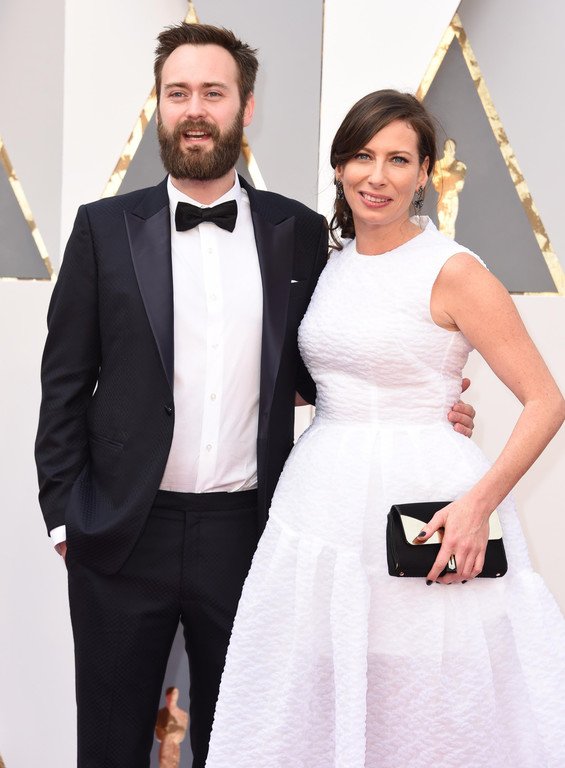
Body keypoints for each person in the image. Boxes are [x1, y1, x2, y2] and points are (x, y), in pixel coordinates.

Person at [34, 23, 474, 766]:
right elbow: (64, 384)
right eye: (178, 92)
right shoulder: (102, 229)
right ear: (159, 105)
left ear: (245, 107)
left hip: (251, 535)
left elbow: (325, 362)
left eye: (213, 92)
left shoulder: (297, 232)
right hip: (120, 535)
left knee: (248, 744)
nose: (195, 109)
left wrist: (422, 401)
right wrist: (64, 519)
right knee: (107, 746)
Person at [205, 90, 565, 768]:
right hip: (321, 504)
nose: (377, 177)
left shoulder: (453, 271)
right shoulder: (330, 263)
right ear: (340, 166)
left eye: (399, 160)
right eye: (362, 157)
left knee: (425, 697)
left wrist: (476, 506)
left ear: (425, 172)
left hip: (425, 506)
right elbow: (326, 376)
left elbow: (546, 400)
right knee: (312, 690)